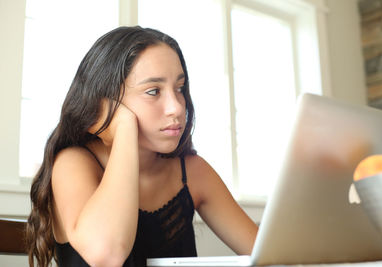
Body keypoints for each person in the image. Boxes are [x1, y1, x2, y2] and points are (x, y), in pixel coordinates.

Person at [26, 26, 258, 267]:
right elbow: (107, 255)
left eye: (179, 88)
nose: (177, 107)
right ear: (106, 102)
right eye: (153, 91)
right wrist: (124, 126)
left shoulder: (193, 171)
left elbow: (272, 255)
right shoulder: (73, 162)